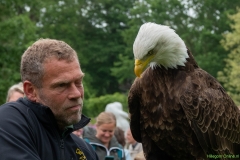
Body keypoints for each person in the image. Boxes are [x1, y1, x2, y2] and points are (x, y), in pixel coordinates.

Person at [0, 38, 99, 160]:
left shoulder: (85, 151)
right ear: (31, 91)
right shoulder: (8, 123)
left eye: (78, 82)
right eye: (62, 85)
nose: (76, 94)